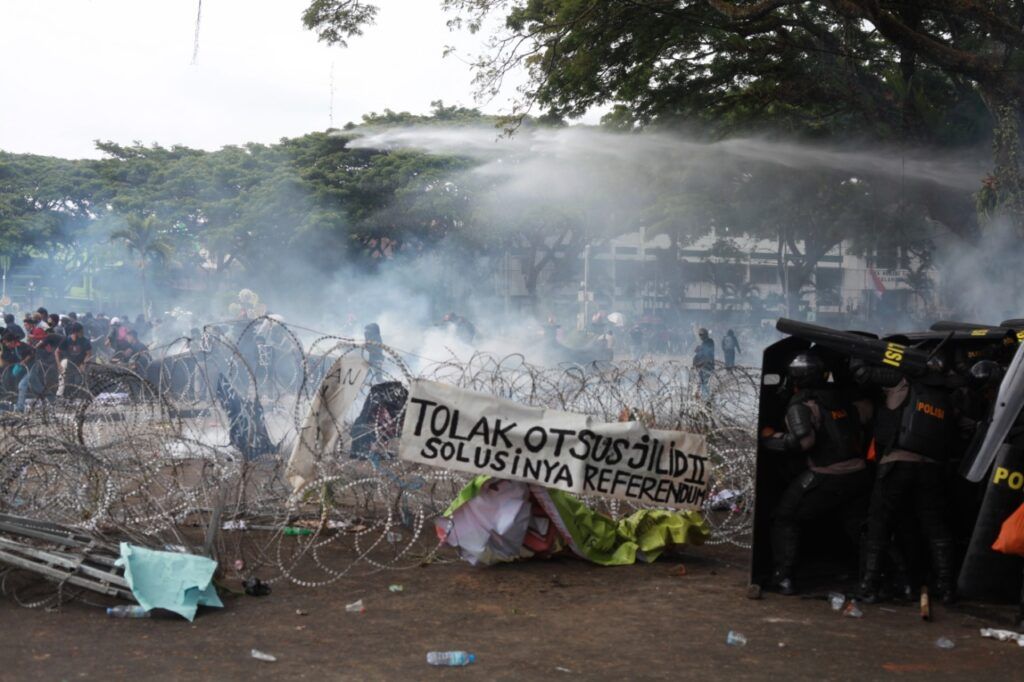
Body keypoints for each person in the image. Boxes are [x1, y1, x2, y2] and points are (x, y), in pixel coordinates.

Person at [760, 352, 872, 595]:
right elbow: (867, 414)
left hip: (827, 474)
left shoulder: (803, 404)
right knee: (858, 525)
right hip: (859, 474)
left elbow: (804, 443)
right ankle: (873, 577)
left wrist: (771, 439)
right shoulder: (843, 398)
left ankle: (783, 577)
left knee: (784, 517)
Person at [853, 359, 958, 604]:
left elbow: (862, 373)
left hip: (897, 463)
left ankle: (869, 585)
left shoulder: (901, 381)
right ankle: (946, 587)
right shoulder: (945, 394)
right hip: (931, 468)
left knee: (879, 523)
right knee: (935, 527)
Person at [56, 322, 92, 399]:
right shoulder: (66, 340)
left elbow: (88, 354)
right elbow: (57, 352)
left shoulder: (84, 341)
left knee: (78, 381)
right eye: (81, 331)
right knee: (65, 381)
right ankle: (63, 397)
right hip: (69, 363)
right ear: (75, 332)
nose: (83, 333)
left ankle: (77, 397)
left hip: (79, 364)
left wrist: (84, 363)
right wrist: (59, 364)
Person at [692, 328, 716, 399]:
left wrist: (700, 348)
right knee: (702, 383)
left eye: (701, 335)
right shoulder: (704, 343)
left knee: (705, 383)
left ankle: (706, 399)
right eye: (700, 335)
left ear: (706, 334)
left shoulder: (709, 341)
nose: (700, 336)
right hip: (702, 366)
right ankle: (703, 398)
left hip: (707, 366)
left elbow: (707, 353)